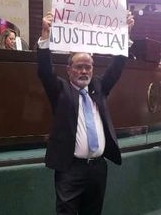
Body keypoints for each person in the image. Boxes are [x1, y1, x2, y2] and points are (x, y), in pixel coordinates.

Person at [37, 11, 135, 215]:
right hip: (70, 169)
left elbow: (116, 67)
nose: (84, 71)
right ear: (69, 70)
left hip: (98, 169)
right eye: (79, 67)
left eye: (88, 67)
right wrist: (45, 37)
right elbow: (45, 71)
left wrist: (124, 34)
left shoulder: (98, 87)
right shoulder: (61, 91)